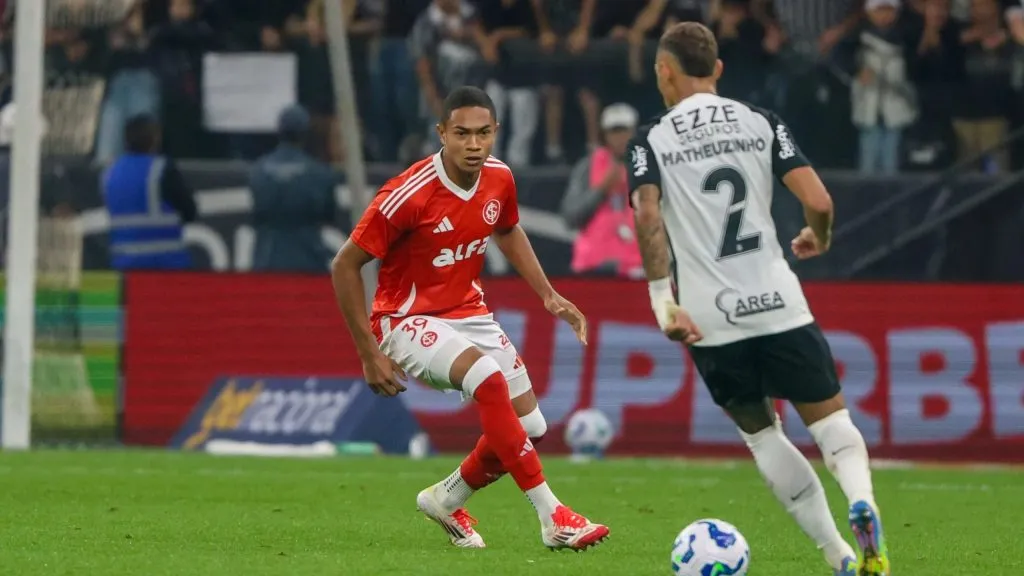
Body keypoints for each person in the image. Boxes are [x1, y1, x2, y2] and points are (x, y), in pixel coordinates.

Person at [626, 22, 890, 576]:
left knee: (762, 436)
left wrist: (661, 301)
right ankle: (861, 499)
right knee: (831, 424)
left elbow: (647, 215)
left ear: (663, 72)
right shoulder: (760, 122)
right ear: (718, 70)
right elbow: (818, 198)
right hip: (777, 301)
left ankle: (838, 555)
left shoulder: (651, 140)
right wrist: (821, 235)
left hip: (710, 320)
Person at [330, 86, 609, 551]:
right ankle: (553, 516)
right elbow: (344, 264)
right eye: (462, 134)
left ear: (496, 133)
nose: (474, 144)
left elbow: (507, 227)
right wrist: (368, 351)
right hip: (405, 319)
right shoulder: (407, 194)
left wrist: (549, 295)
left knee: (532, 429)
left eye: (483, 134)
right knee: (487, 378)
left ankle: (445, 498)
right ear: (442, 133)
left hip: (469, 311)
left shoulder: (499, 177)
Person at [249, 105, 336, 272]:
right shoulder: (319, 173)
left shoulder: (258, 170)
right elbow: (329, 214)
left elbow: (255, 214)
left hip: (267, 258)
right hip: (308, 259)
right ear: (305, 132)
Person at [103, 114, 197, 270]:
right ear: (155, 138)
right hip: (166, 265)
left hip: (123, 266)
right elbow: (189, 211)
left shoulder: (110, 173)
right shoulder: (161, 169)